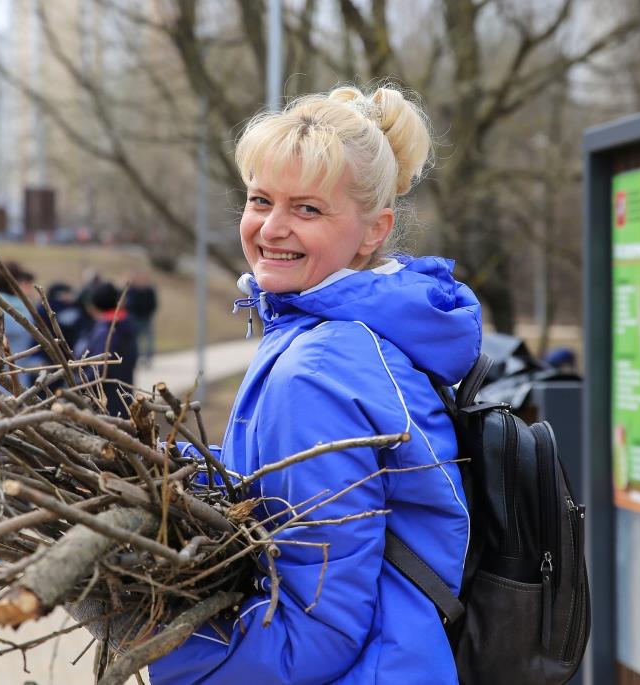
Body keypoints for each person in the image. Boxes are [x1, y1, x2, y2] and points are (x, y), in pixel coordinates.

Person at [146, 84, 482, 684]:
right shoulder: (342, 337)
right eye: (260, 200)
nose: (272, 228)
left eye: (307, 209)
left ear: (375, 230)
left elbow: (313, 632)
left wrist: (157, 642)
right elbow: (283, 493)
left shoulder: (322, 367)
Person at [74, 281, 138, 417]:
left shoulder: (106, 330)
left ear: (94, 306)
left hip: (105, 398)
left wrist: (77, 385)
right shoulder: (126, 324)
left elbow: (99, 366)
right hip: (123, 391)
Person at [125, 272, 158, 363]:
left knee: (149, 340)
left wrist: (148, 313)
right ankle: (138, 357)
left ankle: (148, 358)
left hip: (147, 318)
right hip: (135, 319)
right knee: (136, 340)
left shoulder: (149, 291)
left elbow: (154, 304)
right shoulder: (131, 291)